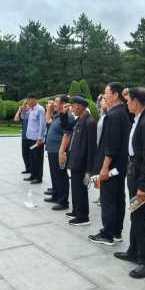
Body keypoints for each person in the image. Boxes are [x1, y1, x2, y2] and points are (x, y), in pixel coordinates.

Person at [114, 87, 145, 278]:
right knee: (135, 214)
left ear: (137, 102)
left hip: (141, 176)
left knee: (141, 218)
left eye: (129, 99)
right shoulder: (139, 119)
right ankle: (134, 250)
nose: (127, 102)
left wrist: (143, 186)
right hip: (134, 171)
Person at [88, 83, 130, 245]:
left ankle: (107, 234)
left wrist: (104, 168)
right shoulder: (123, 113)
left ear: (115, 95)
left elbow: (111, 145)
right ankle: (116, 231)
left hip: (111, 167)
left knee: (108, 200)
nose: (104, 96)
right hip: (120, 166)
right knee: (118, 198)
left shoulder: (113, 116)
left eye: (106, 93)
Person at [65, 96, 96, 226]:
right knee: (76, 189)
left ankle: (83, 217)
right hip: (76, 161)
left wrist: (89, 169)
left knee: (81, 190)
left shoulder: (89, 122)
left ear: (80, 106)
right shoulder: (80, 120)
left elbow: (91, 147)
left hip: (82, 164)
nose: (72, 108)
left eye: (73, 106)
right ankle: (77, 210)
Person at [44, 95, 71, 210]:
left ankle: (63, 201)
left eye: (56, 102)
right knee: (54, 175)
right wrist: (49, 110)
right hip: (52, 150)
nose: (53, 104)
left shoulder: (67, 117)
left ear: (63, 103)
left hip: (59, 151)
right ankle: (56, 195)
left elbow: (68, 134)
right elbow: (47, 121)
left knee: (61, 176)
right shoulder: (57, 116)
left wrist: (62, 151)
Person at [23, 95, 46, 184]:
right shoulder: (31, 109)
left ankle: (38, 177)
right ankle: (33, 175)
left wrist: (40, 138)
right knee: (32, 158)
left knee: (38, 159)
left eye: (29, 100)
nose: (28, 102)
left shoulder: (40, 109)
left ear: (34, 100)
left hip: (37, 139)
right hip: (30, 138)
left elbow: (42, 124)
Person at [14, 100, 32, 174]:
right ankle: (27, 168)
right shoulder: (23, 114)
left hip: (31, 137)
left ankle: (32, 169)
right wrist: (19, 110)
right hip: (24, 137)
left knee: (31, 154)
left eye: (27, 104)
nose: (25, 106)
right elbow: (16, 119)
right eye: (24, 104)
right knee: (24, 154)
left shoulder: (31, 113)